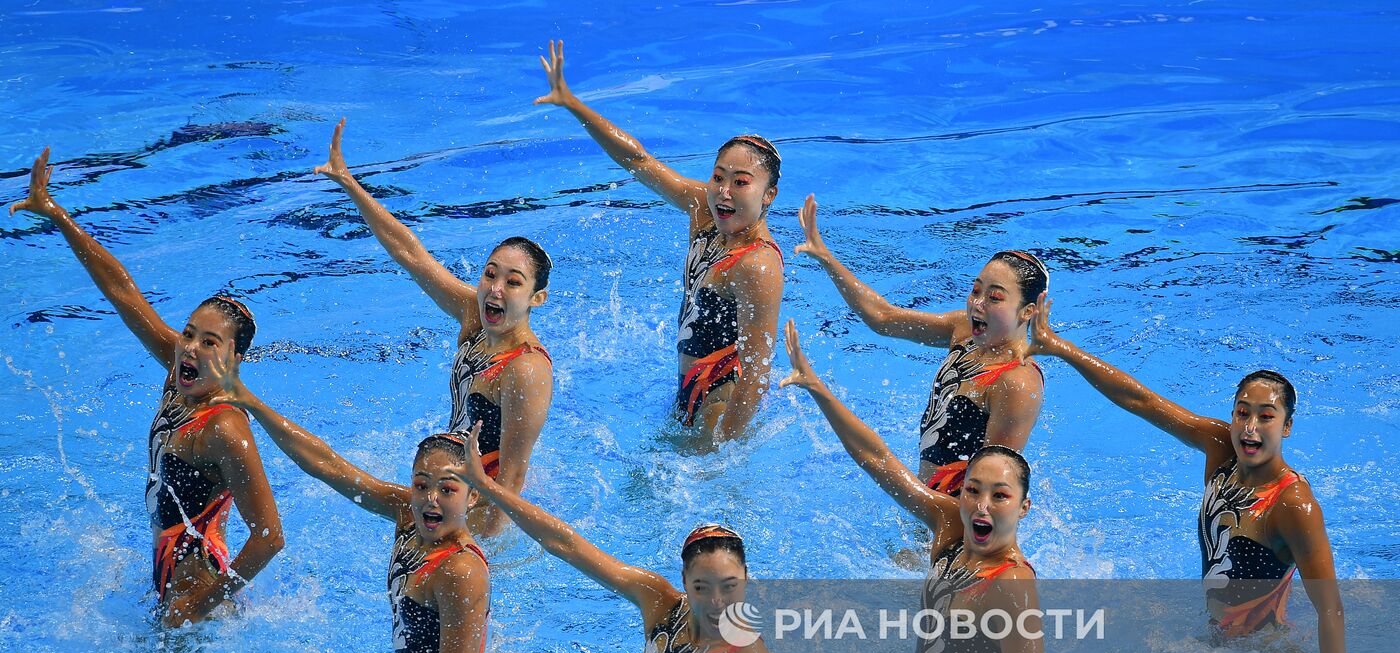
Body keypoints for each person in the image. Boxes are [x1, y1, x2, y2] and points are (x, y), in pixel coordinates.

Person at [9, 148, 285, 628]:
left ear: (235, 360)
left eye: (210, 342)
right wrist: (58, 216)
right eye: (188, 333)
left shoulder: (225, 427)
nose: (190, 348)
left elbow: (269, 536)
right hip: (168, 583)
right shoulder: (180, 373)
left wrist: (205, 602)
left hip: (194, 603)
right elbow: (121, 290)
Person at [449, 424, 780, 653]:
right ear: (685, 581)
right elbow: (567, 543)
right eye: (702, 588)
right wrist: (487, 486)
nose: (717, 602)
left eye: (730, 586)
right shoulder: (662, 606)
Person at [1029, 294, 1345, 653]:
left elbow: (1330, 607)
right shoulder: (1221, 449)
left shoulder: (1292, 505)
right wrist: (1059, 347)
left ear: (1287, 426)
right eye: (1242, 413)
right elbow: (1141, 401)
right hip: (1211, 641)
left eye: (1266, 416)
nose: (1249, 427)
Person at [780, 320, 1045, 653]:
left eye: (999, 496)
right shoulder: (949, 525)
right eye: (973, 490)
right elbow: (878, 458)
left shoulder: (1013, 582)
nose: (981, 505)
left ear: (1023, 507)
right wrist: (818, 389)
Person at [206, 353, 489, 653]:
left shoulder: (461, 570)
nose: (430, 499)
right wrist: (251, 403)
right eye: (421, 484)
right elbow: (328, 466)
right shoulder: (407, 515)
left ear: (473, 496)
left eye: (447, 489)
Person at [534, 41, 784, 445]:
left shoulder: (756, 264)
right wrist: (573, 105)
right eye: (718, 176)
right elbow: (640, 162)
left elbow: (757, 373)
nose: (723, 191)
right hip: (690, 388)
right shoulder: (703, 211)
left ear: (767, 195)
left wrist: (723, 450)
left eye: (741, 182)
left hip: (721, 402)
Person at [314, 119, 553, 536]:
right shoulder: (474, 314)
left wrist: (473, 547)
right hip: (448, 481)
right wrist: (351, 186)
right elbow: (412, 254)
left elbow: (511, 482)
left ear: (536, 298)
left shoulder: (526, 369)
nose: (495, 290)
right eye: (490, 274)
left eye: (513, 282)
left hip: (478, 504)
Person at [793, 195, 1046, 494]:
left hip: (962, 523)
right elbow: (884, 318)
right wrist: (826, 258)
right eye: (976, 291)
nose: (977, 304)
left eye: (995, 298)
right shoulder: (963, 331)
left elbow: (992, 490)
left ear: (1028, 311)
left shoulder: (1016, 382)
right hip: (929, 505)